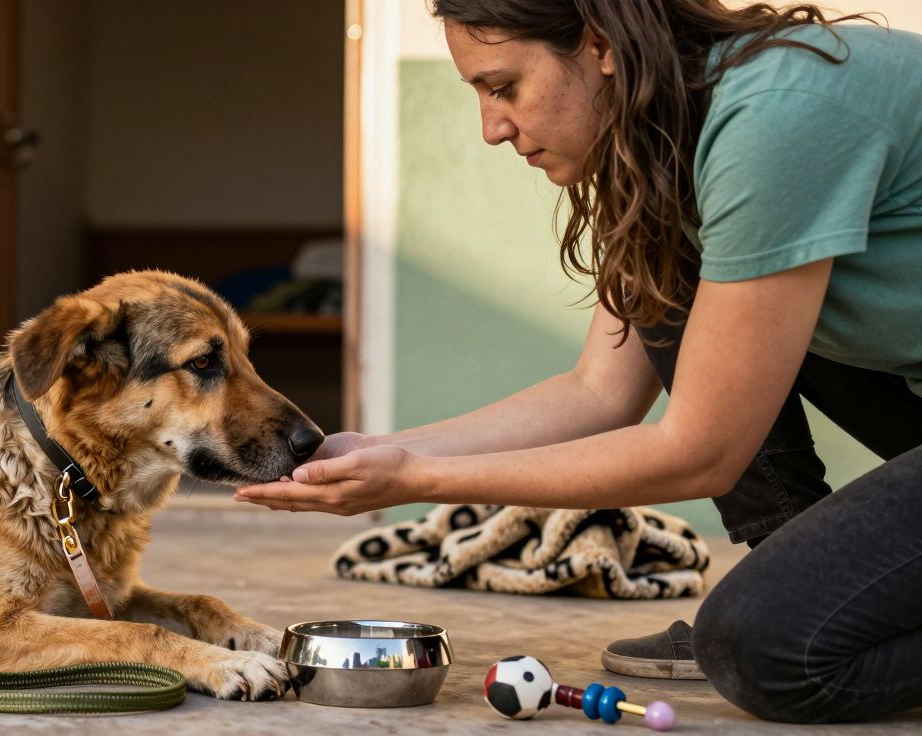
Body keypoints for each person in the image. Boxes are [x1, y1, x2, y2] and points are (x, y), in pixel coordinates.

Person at [235, 0, 922, 724]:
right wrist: (386, 450)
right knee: (664, 279)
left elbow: (701, 452)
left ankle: (796, 608)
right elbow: (597, 391)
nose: (492, 128)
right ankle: (805, 581)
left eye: (503, 88)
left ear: (600, 45)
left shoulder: (775, 118)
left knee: (762, 647)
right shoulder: (663, 143)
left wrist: (419, 479)